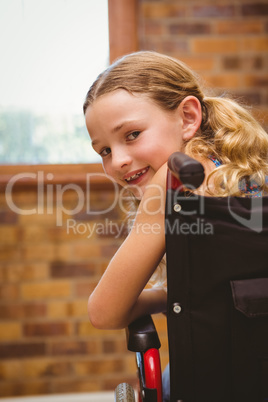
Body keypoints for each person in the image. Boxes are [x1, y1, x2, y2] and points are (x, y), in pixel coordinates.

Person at [83, 50, 268, 330]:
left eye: (132, 135)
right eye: (105, 150)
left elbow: (104, 313)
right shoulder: (244, 172)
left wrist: (165, 297)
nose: (118, 161)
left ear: (188, 117)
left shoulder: (172, 182)